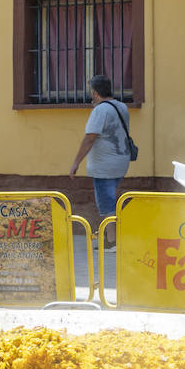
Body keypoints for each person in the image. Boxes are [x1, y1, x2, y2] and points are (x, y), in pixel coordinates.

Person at [68, 75, 131, 247]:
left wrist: (75, 163)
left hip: (105, 165)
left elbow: (90, 138)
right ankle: (112, 237)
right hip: (121, 161)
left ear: (95, 93)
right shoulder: (122, 107)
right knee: (111, 199)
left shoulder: (100, 110)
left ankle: (111, 242)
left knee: (106, 203)